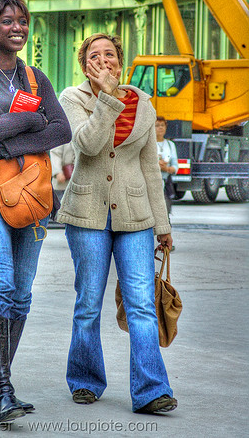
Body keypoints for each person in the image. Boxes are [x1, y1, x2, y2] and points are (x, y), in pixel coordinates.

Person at [0, 0, 71, 423]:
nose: (17, 27)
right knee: (0, 283)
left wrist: (5, 142)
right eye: (8, 21)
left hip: (33, 195)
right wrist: (26, 121)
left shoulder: (37, 78)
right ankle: (4, 390)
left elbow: (61, 128)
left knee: (21, 294)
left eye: (22, 21)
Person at [56, 33, 177, 414]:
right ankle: (86, 380)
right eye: (95, 55)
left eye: (110, 54)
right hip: (87, 213)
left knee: (141, 303)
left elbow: (148, 167)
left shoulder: (142, 102)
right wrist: (107, 98)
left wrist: (163, 223)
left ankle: (151, 389)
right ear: (84, 65)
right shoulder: (72, 98)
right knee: (88, 302)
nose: (104, 60)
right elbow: (87, 146)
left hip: (136, 216)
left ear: (121, 61)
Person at [155, 116, 179, 216]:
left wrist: (167, 169)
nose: (160, 128)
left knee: (165, 215)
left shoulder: (170, 145)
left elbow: (175, 166)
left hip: (165, 185)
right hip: (152, 184)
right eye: (157, 125)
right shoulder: (148, 144)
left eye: (162, 125)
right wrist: (156, 164)